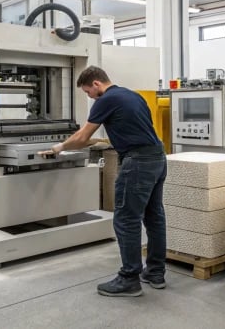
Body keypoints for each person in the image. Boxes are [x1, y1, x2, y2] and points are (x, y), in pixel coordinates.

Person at [41, 66, 167, 297]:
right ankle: (155, 273)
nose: (89, 97)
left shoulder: (106, 100)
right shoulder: (132, 95)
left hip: (137, 163)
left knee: (126, 219)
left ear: (97, 84)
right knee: (154, 216)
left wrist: (58, 147)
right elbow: (129, 130)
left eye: (88, 92)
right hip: (157, 157)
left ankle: (129, 278)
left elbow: (81, 136)